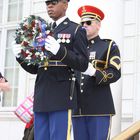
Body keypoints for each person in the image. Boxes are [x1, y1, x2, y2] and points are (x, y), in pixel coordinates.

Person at [12, 0, 89, 140]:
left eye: (54, 2)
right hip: (42, 95)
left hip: (62, 97)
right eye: (47, 3)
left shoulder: (76, 30)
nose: (49, 6)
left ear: (65, 4)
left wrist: (60, 51)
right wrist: (20, 57)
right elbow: (36, 68)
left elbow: (83, 63)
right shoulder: (41, 31)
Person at [72, 5, 121, 140]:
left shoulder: (108, 46)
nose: (84, 25)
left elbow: (115, 72)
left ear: (98, 25)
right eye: (81, 23)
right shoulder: (74, 49)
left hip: (99, 108)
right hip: (77, 109)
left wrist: (95, 72)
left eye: (88, 22)